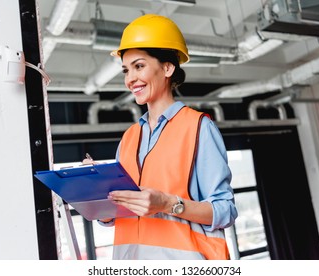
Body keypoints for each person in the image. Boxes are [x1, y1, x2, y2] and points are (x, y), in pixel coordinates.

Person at [98, 13, 237, 260]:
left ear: (167, 67)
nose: (130, 79)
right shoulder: (129, 138)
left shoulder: (198, 127)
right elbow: (118, 213)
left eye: (139, 66)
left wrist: (167, 203)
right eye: (126, 70)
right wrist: (99, 199)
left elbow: (225, 211)